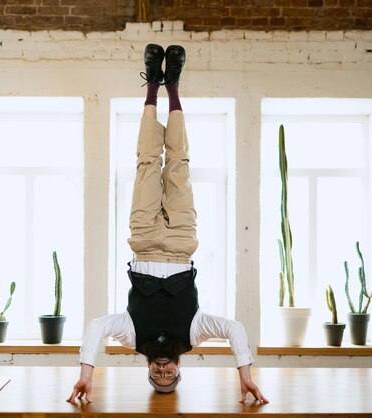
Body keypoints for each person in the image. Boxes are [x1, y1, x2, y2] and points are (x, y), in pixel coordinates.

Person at [67, 44, 269, 404]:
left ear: (147, 370)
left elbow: (97, 327)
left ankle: (151, 87)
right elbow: (235, 329)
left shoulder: (131, 335)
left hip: (143, 238)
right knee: (178, 165)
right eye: (168, 376)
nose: (162, 371)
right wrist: (245, 375)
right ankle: (172, 85)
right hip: (181, 241)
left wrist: (86, 373)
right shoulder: (194, 333)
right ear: (179, 369)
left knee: (147, 162)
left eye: (156, 375)